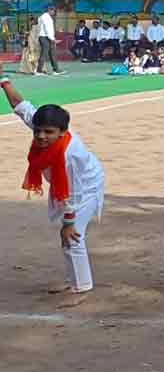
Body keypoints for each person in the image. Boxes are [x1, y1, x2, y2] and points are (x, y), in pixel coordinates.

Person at [2, 76, 106, 307]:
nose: (40, 136)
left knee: (72, 236)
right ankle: (76, 281)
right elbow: (21, 105)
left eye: (48, 132)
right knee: (68, 236)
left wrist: (69, 222)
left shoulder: (70, 155)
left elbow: (69, 192)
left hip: (86, 188)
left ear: (62, 132)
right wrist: (4, 80)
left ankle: (82, 287)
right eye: (38, 131)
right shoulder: (46, 132)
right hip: (71, 187)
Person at [36, 4, 63, 75]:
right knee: (44, 54)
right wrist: (53, 39)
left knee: (52, 53)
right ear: (50, 10)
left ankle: (56, 69)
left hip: (45, 37)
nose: (54, 12)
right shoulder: (46, 17)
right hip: (45, 37)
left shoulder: (43, 16)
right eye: (54, 11)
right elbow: (48, 29)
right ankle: (39, 70)